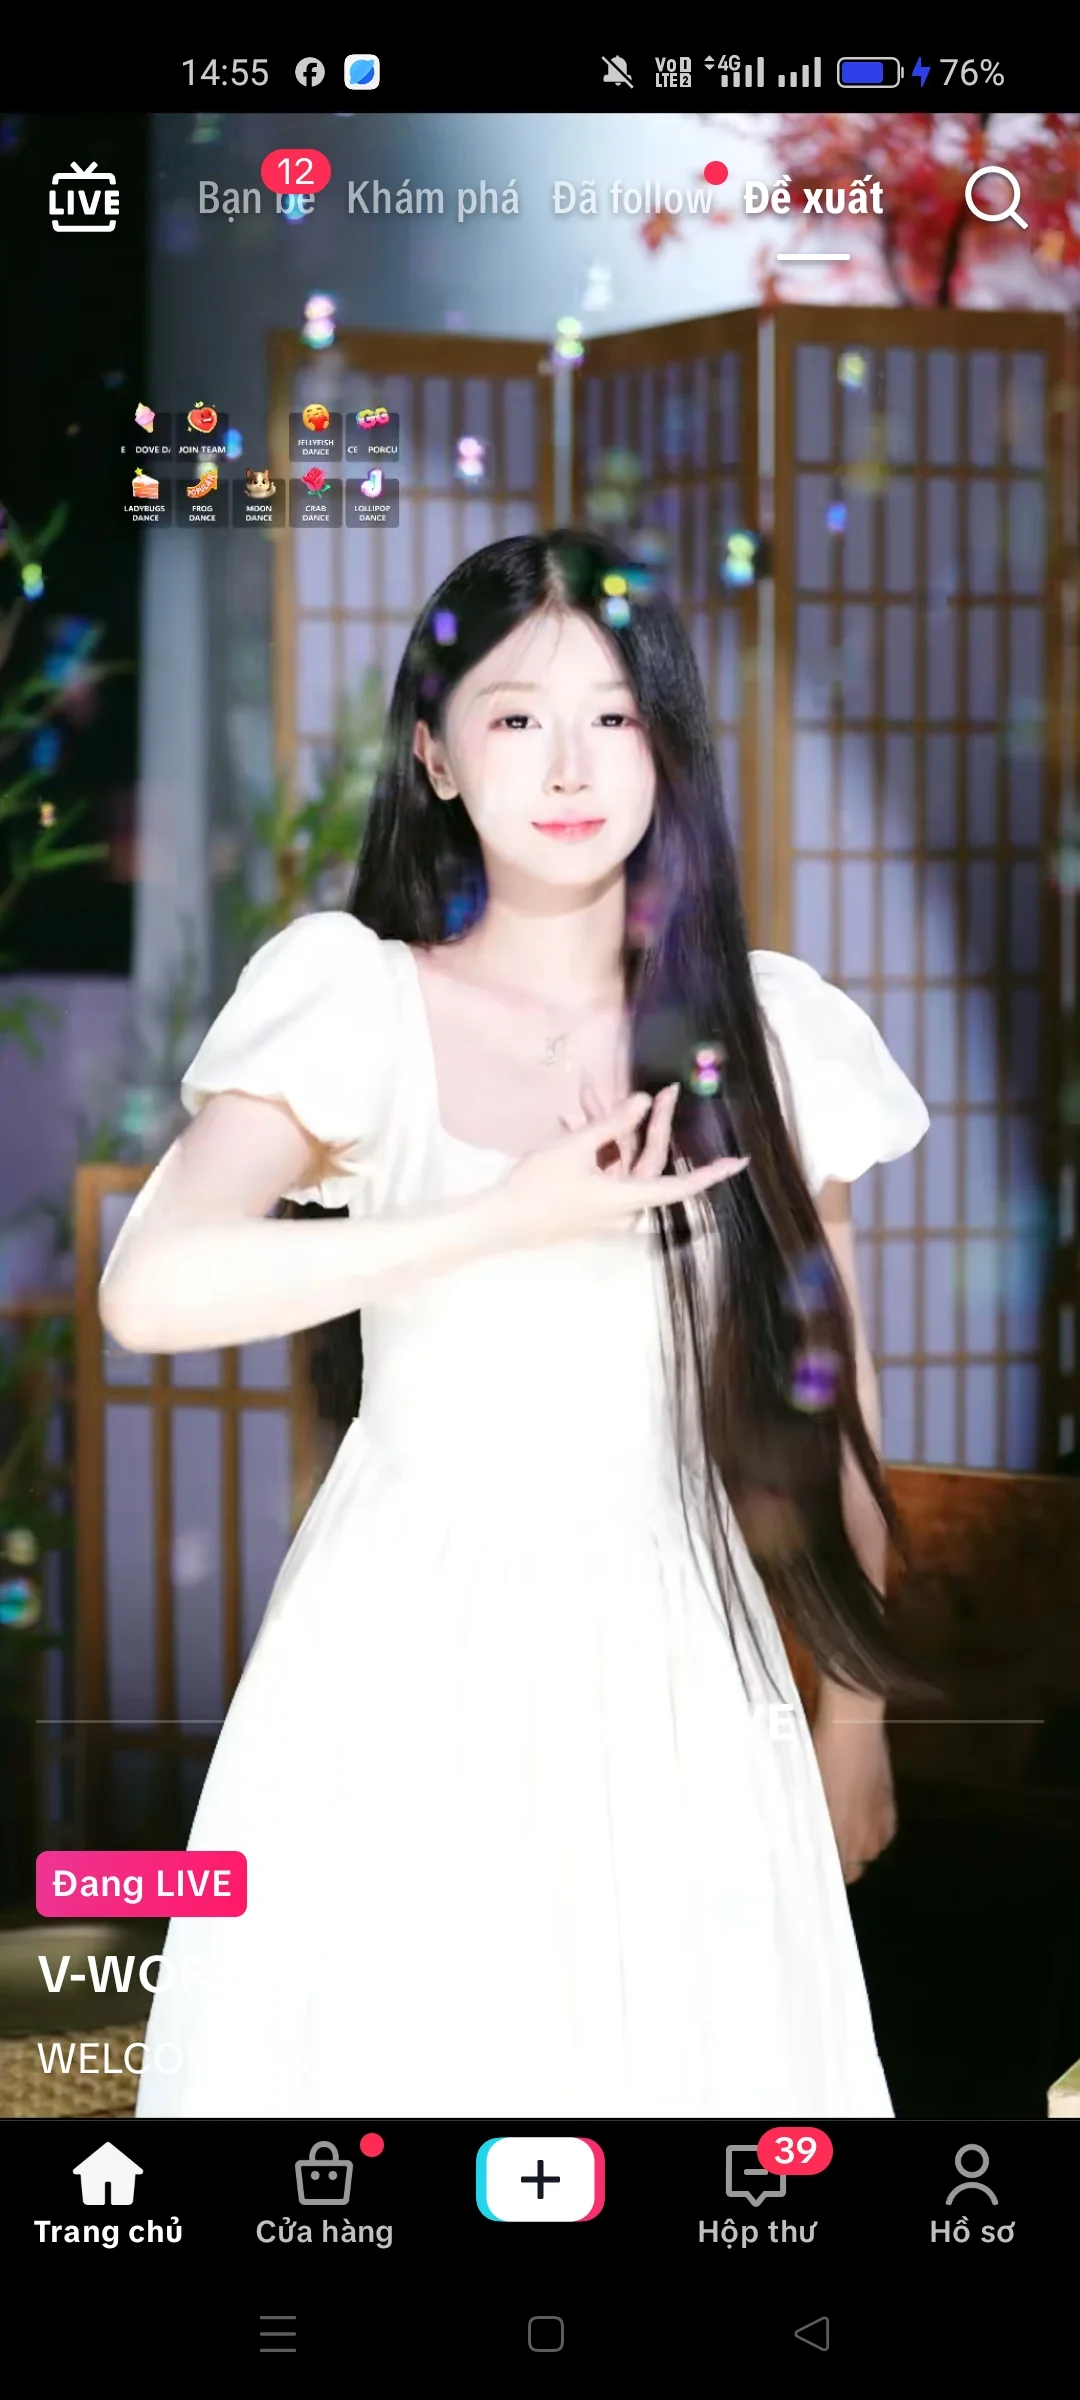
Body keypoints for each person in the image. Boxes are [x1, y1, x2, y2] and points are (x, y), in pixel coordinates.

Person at [101, 529, 930, 2118]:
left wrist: (856, 1714)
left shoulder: (767, 1030)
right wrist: (506, 1214)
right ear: (433, 753)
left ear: (668, 748)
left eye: (614, 716)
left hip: (681, 1648)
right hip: (404, 1643)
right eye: (515, 715)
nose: (569, 764)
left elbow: (841, 1405)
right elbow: (150, 1289)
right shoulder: (359, 998)